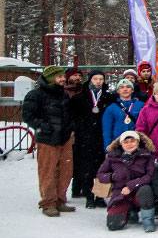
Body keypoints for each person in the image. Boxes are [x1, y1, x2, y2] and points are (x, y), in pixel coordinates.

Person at [23, 65, 75, 217]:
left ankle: (60, 199)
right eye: (59, 77)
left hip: (64, 137)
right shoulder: (36, 94)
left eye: (63, 77)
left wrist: (71, 128)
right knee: (48, 171)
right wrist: (42, 126)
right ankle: (48, 202)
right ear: (51, 77)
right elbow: (28, 116)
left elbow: (68, 114)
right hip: (47, 139)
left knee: (66, 170)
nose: (63, 79)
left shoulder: (63, 94)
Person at [69, 70, 115, 207]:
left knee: (102, 167)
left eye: (101, 79)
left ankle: (100, 196)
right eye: (95, 79)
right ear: (90, 80)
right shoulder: (79, 97)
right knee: (87, 167)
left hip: (102, 135)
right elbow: (73, 116)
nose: (98, 82)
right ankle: (89, 195)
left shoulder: (108, 97)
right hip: (85, 137)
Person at [96, 131, 157, 231]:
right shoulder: (112, 157)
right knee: (114, 225)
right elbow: (100, 175)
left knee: (146, 190)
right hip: (119, 194)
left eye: (132, 141)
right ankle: (129, 211)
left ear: (138, 142)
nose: (129, 144)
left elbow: (149, 175)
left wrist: (131, 186)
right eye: (126, 142)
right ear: (121, 144)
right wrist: (113, 176)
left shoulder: (146, 156)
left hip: (139, 190)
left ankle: (148, 220)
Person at [102, 78, 144, 150]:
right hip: (118, 144)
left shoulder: (141, 105)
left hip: (136, 143)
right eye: (121, 87)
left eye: (128, 87)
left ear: (132, 90)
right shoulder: (111, 108)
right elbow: (107, 130)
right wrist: (108, 147)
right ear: (118, 91)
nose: (125, 89)